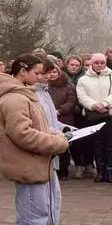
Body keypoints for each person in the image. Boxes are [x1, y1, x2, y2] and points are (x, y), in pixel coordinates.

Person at [0, 54, 70, 225]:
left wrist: (53, 133)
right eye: (36, 73)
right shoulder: (14, 99)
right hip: (26, 166)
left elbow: (35, 127)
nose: (39, 77)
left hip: (35, 164)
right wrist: (55, 143)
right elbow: (23, 135)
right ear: (22, 71)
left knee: (40, 213)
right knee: (32, 216)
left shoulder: (24, 94)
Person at [76, 53, 112, 183]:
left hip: (109, 114)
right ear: (92, 63)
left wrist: (104, 103)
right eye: (96, 62)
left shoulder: (111, 75)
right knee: (97, 144)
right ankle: (100, 172)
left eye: (102, 63)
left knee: (110, 145)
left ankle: (110, 171)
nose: (99, 65)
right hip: (93, 115)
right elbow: (82, 96)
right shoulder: (83, 79)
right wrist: (94, 105)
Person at [48, 58, 79, 179]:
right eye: (50, 72)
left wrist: (59, 111)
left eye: (55, 72)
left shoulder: (68, 86)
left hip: (65, 118)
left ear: (59, 72)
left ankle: (64, 170)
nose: (52, 74)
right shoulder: (45, 87)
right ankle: (53, 169)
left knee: (64, 144)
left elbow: (71, 102)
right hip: (49, 119)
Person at [65, 55, 94, 178]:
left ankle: (88, 163)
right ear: (67, 65)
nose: (74, 67)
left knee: (87, 137)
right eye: (72, 65)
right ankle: (78, 165)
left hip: (84, 111)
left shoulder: (85, 77)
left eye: (77, 65)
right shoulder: (63, 77)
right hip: (70, 113)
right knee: (74, 139)